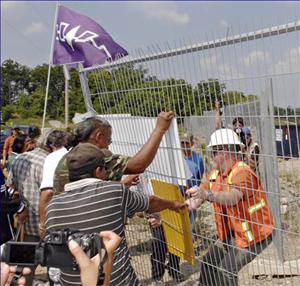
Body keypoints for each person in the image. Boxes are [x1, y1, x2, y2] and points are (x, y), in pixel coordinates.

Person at [45, 143, 186, 286]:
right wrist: (174, 204)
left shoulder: (52, 207)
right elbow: (150, 203)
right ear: (99, 170)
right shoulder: (113, 191)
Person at [186, 128, 274, 286]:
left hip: (256, 234)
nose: (212, 156)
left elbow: (233, 197)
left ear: (225, 151)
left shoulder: (242, 172)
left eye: (214, 152)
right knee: (208, 262)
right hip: (236, 232)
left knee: (227, 269)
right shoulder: (216, 174)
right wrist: (185, 205)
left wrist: (206, 195)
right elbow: (200, 195)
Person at [53, 111, 175, 195]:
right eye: (108, 140)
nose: (108, 144)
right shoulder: (95, 157)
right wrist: (160, 129)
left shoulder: (68, 157)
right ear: (99, 137)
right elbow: (138, 165)